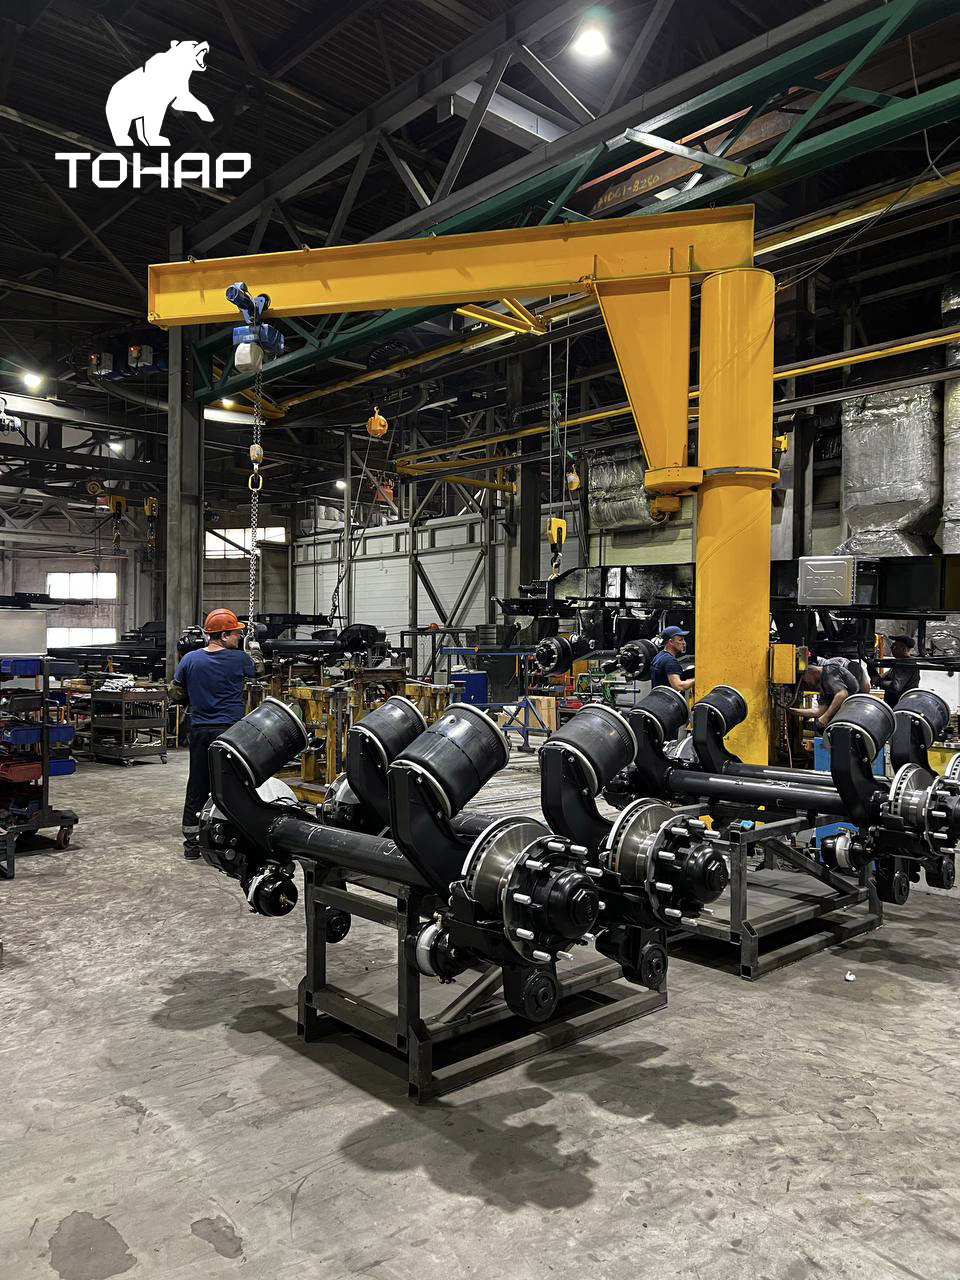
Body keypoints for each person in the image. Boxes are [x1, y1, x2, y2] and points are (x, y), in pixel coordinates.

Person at [171, 608, 256, 859]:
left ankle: (192, 843)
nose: (239, 637)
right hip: (230, 731)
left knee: (198, 783)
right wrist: (256, 649)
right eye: (236, 633)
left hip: (199, 730)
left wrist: (197, 694)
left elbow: (175, 693)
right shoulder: (239, 659)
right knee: (232, 783)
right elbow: (259, 669)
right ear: (223, 635)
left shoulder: (189, 659)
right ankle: (232, 837)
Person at [789, 657, 859, 732]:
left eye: (804, 678)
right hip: (844, 712)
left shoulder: (829, 671)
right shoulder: (823, 686)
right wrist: (793, 711)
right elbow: (819, 711)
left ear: (810, 671)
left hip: (855, 709)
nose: (806, 682)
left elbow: (842, 694)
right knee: (818, 726)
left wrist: (826, 716)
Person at [649, 625, 695, 694]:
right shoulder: (670, 661)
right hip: (666, 699)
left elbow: (673, 675)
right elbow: (679, 686)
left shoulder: (659, 656)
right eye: (680, 640)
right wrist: (696, 680)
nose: (684, 643)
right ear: (671, 642)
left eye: (683, 639)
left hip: (657, 697)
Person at [878, 634, 921, 707]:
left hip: (902, 706)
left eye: (894, 646)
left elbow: (895, 687)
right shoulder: (898, 662)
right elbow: (883, 676)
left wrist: (878, 681)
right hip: (895, 705)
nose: (891, 648)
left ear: (904, 649)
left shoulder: (907, 664)